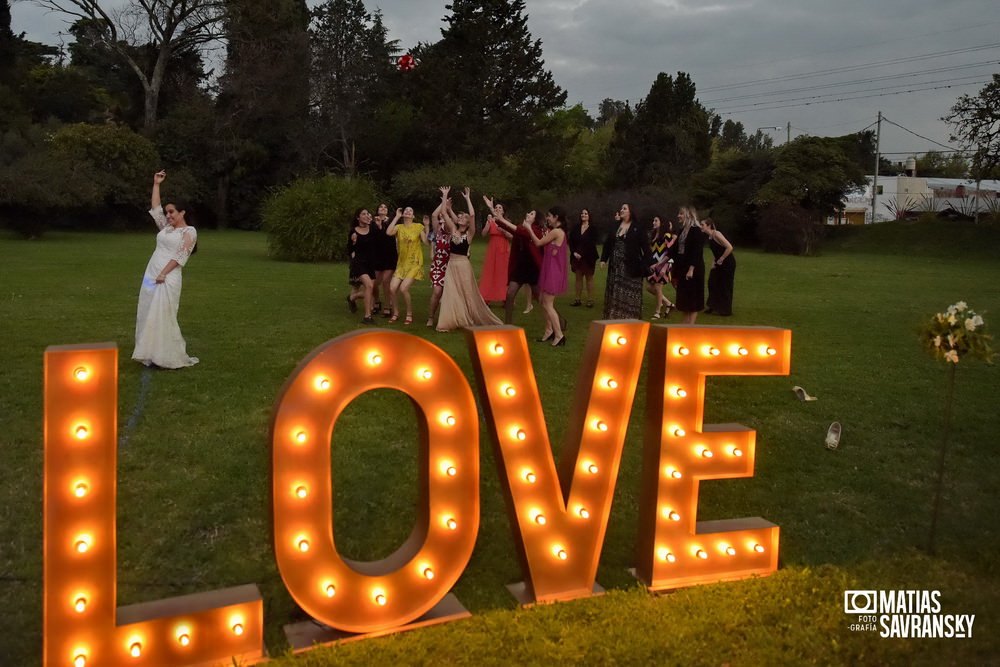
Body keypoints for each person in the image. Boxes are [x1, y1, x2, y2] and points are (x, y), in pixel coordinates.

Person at [132, 170, 199, 369]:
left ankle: (165, 355)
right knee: (146, 309)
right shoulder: (166, 228)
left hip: (167, 277)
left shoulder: (189, 231)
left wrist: (163, 273)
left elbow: (180, 256)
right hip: (151, 274)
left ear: (182, 213)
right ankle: (149, 353)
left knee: (163, 313)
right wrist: (156, 184)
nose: (168, 215)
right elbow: (155, 207)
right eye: (167, 212)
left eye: (172, 212)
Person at [436, 187, 503, 332]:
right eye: (460, 217)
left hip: (463, 265)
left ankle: (469, 318)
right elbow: (443, 213)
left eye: (463, 218)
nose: (461, 218)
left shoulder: (470, 234)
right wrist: (445, 195)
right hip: (452, 265)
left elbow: (472, 215)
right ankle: (452, 320)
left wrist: (468, 198)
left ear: (467, 223)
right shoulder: (453, 230)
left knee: (466, 292)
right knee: (452, 293)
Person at [485, 196, 543, 324]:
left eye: (532, 214)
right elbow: (502, 224)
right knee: (510, 294)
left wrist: (498, 216)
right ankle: (508, 324)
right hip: (519, 267)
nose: (528, 214)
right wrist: (491, 208)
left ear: (536, 219)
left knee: (540, 299)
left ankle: (558, 321)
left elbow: (517, 230)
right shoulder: (522, 228)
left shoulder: (536, 231)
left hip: (532, 268)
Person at [526, 206, 569, 346]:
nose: (548, 218)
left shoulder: (557, 231)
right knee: (544, 302)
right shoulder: (556, 231)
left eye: (549, 216)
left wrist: (528, 228)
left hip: (553, 272)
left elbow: (538, 243)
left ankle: (559, 335)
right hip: (551, 270)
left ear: (556, 217)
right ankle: (550, 331)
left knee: (548, 304)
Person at [599, 203, 651, 320]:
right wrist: (604, 259)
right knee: (616, 292)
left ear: (630, 212)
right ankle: (614, 316)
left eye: (624, 209)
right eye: (621, 208)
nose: (621, 210)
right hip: (616, 267)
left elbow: (646, 249)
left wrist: (645, 265)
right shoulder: (615, 225)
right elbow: (608, 244)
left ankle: (630, 318)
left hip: (631, 267)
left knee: (629, 293)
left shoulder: (638, 228)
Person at [386, 206, 428, 324]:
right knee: (392, 288)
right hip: (402, 263)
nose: (408, 211)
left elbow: (426, 242)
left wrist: (427, 226)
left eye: (411, 210)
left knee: (403, 288)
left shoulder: (418, 226)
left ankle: (409, 314)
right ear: (403, 214)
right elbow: (388, 232)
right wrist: (397, 216)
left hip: (414, 263)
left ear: (413, 216)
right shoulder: (398, 227)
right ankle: (396, 313)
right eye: (406, 211)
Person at [672, 206, 706, 324]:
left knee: (692, 300)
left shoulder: (696, 230)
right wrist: (660, 264)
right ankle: (684, 325)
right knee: (684, 300)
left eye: (681, 214)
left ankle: (689, 328)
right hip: (683, 266)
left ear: (688, 215)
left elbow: (697, 252)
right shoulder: (682, 230)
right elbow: (674, 250)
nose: (678, 216)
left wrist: (691, 269)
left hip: (694, 269)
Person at [347, 208, 378, 324]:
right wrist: (353, 243)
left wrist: (375, 223)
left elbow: (380, 238)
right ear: (358, 218)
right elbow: (349, 249)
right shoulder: (353, 231)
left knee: (370, 290)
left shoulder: (373, 228)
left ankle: (352, 298)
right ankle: (367, 317)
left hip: (371, 263)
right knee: (369, 286)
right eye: (363, 214)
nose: (366, 216)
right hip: (359, 263)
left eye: (367, 214)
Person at [701, 218, 736, 316]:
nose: (701, 227)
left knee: (725, 285)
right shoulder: (710, 237)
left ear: (709, 225)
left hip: (727, 263)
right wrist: (714, 262)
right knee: (712, 282)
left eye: (702, 224)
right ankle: (713, 306)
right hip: (718, 262)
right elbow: (716, 251)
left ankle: (725, 310)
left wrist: (722, 258)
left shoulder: (716, 234)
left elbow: (729, 247)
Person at [646, 215, 676, 319]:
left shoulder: (667, 235)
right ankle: (669, 304)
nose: (653, 222)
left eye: (656, 220)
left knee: (658, 287)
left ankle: (657, 312)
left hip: (663, 265)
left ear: (662, 222)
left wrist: (664, 266)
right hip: (654, 265)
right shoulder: (654, 234)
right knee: (649, 287)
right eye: (653, 220)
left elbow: (671, 252)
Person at [478, 212, 511, 305]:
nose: (497, 209)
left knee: (502, 272)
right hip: (492, 248)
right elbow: (483, 234)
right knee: (490, 271)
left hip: (503, 248)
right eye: (496, 207)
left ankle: (505, 297)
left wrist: (503, 230)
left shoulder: (506, 222)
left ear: (503, 211)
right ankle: (486, 297)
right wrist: (488, 223)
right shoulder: (491, 221)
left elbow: (511, 236)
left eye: (500, 207)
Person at [568, 208, 599, 308]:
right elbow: (571, 241)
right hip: (576, 257)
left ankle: (590, 300)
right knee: (578, 278)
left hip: (588, 257)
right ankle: (577, 299)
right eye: (582, 213)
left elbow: (592, 243)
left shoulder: (593, 228)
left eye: (585, 213)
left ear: (589, 216)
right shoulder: (576, 227)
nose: (583, 215)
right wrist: (574, 253)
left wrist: (582, 253)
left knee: (589, 278)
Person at [426, 207, 451, 327]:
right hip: (438, 265)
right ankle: (431, 317)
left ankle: (448, 317)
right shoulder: (437, 231)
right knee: (437, 292)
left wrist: (447, 210)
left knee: (449, 294)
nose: (443, 220)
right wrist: (443, 203)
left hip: (451, 265)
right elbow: (433, 215)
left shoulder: (453, 230)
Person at [371, 202, 396, 318]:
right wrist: (378, 225)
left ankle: (387, 307)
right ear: (377, 210)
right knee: (374, 284)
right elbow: (372, 237)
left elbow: (391, 235)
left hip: (389, 255)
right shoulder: (372, 222)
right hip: (376, 255)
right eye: (380, 206)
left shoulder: (391, 222)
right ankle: (377, 302)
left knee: (386, 282)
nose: (383, 208)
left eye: (385, 207)